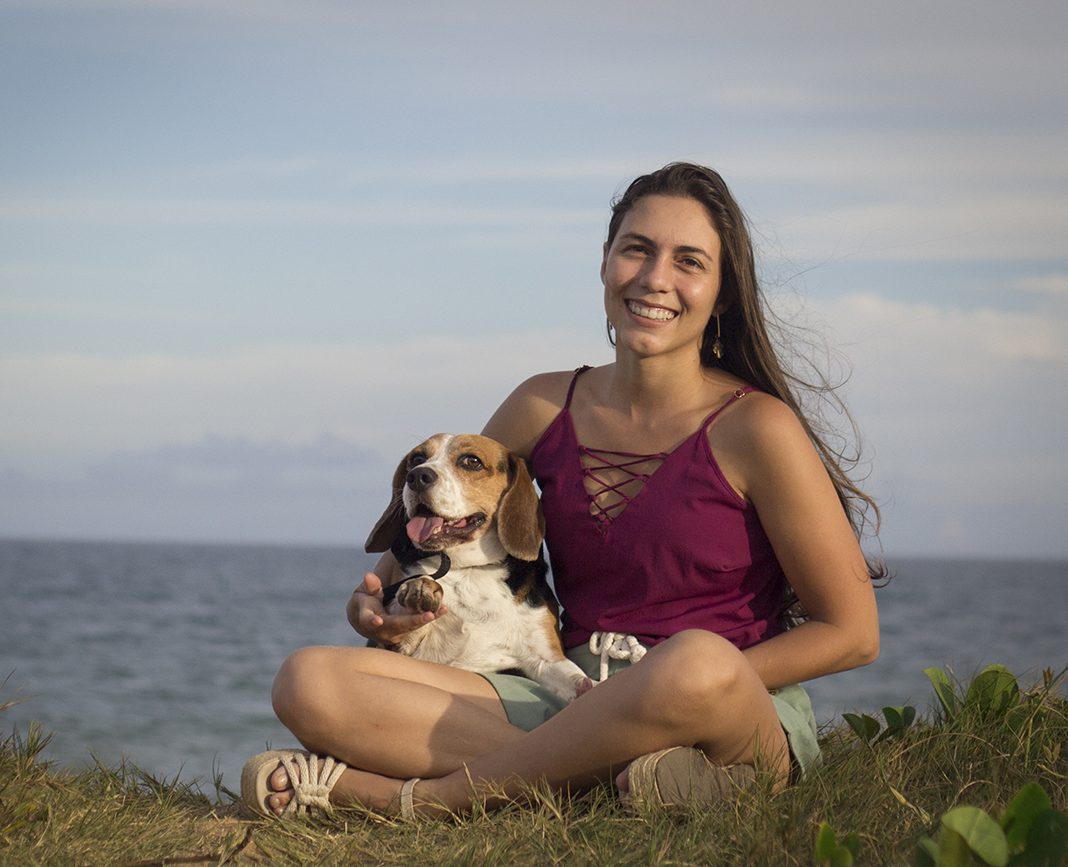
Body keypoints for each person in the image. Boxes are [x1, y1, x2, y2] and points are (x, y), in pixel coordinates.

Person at [244, 162, 882, 819]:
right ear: (605, 261)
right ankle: (627, 782)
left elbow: (853, 632)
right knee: (309, 682)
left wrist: (655, 689)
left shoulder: (759, 427)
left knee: (692, 661)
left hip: (724, 701)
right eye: (636, 249)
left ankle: (432, 801)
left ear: (721, 294)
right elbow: (426, 541)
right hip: (566, 696)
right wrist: (375, 605)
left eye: (688, 261)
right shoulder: (543, 403)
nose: (655, 277)